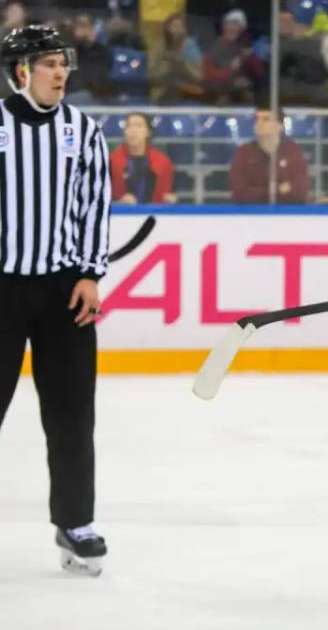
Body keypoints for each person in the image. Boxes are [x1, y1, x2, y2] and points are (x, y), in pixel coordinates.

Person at [0, 24, 112, 577]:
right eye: (47, 63)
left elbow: (95, 206)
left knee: (71, 414)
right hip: (1, 285)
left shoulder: (83, 131)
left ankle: (75, 522)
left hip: (64, 290)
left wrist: (91, 274)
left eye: (63, 62)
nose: (60, 72)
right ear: (20, 71)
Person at [229, 106, 310, 204]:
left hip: (286, 216)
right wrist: (278, 189)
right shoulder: (244, 153)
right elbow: (239, 194)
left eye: (266, 119)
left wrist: (258, 191)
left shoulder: (293, 151)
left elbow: (300, 192)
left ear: (279, 126)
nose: (259, 123)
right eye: (257, 119)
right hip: (250, 216)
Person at [110, 113, 176, 204]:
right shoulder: (111, 161)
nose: (133, 130)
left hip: (155, 215)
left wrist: (170, 199)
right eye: (128, 126)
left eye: (138, 126)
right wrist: (118, 203)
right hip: (120, 216)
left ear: (148, 132)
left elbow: (169, 194)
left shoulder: (163, 162)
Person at [203, 9, 265, 105]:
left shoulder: (242, 48)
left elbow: (259, 74)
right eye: (230, 24)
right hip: (218, 99)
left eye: (236, 25)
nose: (233, 28)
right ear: (224, 26)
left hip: (241, 100)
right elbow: (209, 77)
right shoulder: (213, 48)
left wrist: (250, 56)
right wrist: (231, 72)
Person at [149, 13, 204, 104]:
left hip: (189, 92)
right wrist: (167, 65)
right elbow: (151, 75)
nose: (177, 30)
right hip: (163, 92)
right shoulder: (159, 47)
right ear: (167, 28)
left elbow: (199, 75)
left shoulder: (190, 46)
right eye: (174, 26)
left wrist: (182, 64)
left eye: (180, 26)